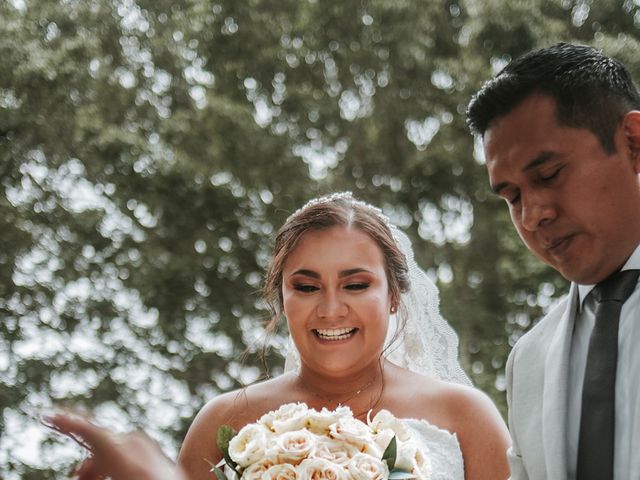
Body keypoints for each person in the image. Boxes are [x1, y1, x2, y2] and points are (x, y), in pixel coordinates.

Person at [46, 192, 511, 480]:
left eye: (355, 285)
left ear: (394, 296)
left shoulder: (465, 417)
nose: (330, 309)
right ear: (280, 298)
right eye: (306, 287)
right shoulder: (224, 422)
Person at [466, 43, 640, 480]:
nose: (532, 215)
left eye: (548, 175)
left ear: (633, 143)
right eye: (512, 196)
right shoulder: (528, 361)